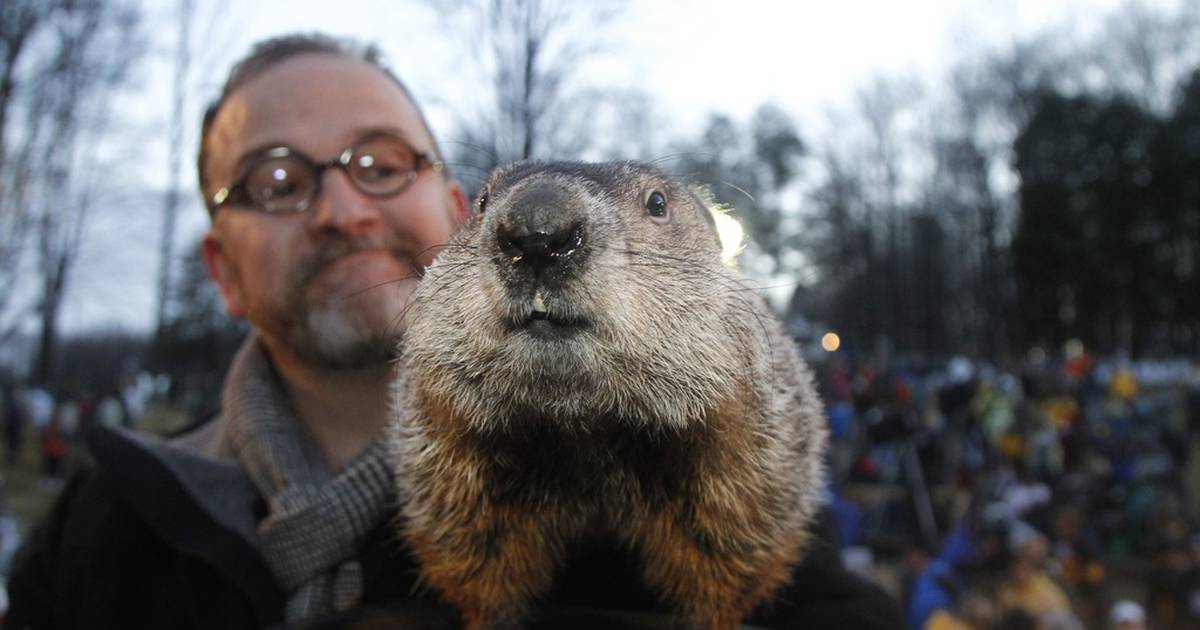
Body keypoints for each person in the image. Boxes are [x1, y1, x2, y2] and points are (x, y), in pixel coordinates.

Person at [5, 33, 903, 629]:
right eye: (277, 182)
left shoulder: (693, 483)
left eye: (382, 164)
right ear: (221, 270)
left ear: (455, 212)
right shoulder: (100, 534)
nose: (344, 210)